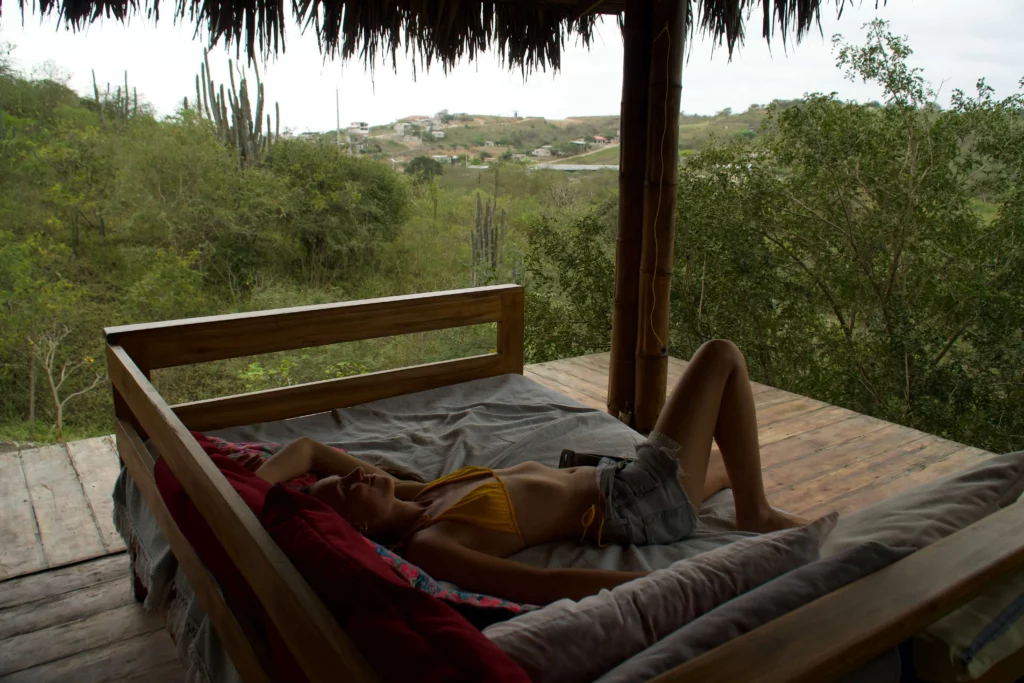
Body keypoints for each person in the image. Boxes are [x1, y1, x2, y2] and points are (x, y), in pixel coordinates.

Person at [256, 339, 805, 605]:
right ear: (365, 531)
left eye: (348, 475)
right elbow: (543, 583)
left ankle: (733, 489)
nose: (356, 475)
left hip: (617, 473)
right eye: (347, 491)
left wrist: (252, 495)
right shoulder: (430, 542)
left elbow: (306, 449)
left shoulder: (419, 493)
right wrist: (664, 582)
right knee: (720, 357)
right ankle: (754, 515)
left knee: (722, 466)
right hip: (637, 500)